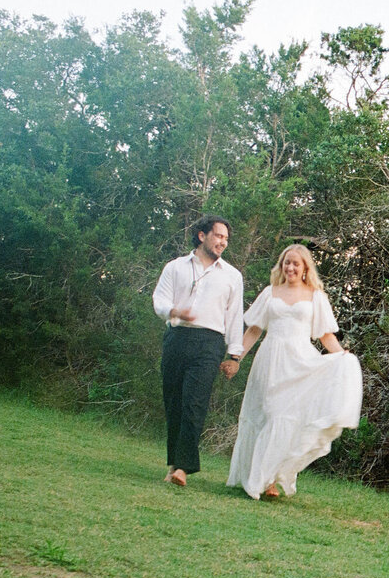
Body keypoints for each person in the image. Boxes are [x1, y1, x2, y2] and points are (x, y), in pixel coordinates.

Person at [227, 244, 362, 499]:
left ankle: (271, 480)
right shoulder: (270, 293)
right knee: (269, 414)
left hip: (299, 362)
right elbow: (254, 330)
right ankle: (262, 479)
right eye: (286, 262)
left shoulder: (315, 296)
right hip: (271, 360)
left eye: (295, 264)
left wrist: (341, 356)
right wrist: (236, 358)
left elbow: (325, 334)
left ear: (305, 268)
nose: (290, 267)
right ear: (281, 265)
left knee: (286, 417)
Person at [152, 214, 244, 487]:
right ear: (202, 235)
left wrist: (234, 355)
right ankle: (173, 463)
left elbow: (235, 316)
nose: (223, 242)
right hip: (177, 338)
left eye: (226, 238)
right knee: (175, 403)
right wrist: (173, 311)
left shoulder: (232, 276)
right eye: (218, 236)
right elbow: (159, 299)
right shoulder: (175, 267)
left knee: (194, 404)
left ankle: (183, 468)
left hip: (210, 343)